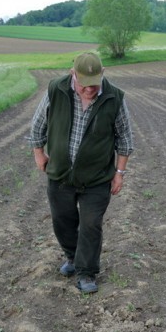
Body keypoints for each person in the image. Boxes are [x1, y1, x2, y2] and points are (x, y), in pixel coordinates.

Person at [28, 52, 134, 293]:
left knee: (91, 224)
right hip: (61, 174)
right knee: (62, 221)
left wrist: (119, 172)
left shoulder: (114, 98)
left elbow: (125, 138)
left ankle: (87, 272)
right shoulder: (56, 90)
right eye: (84, 84)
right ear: (72, 74)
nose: (89, 89)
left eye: (94, 84)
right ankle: (72, 257)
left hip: (96, 178)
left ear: (103, 73)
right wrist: (39, 153)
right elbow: (38, 124)